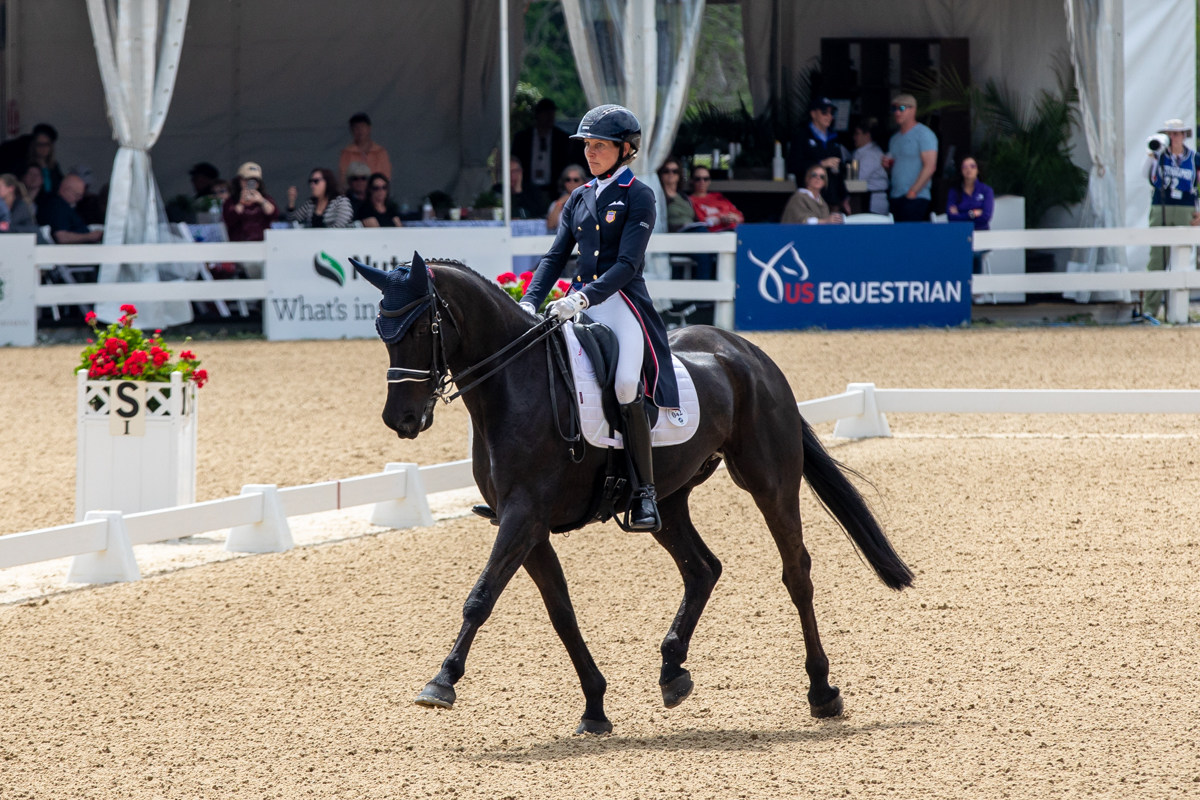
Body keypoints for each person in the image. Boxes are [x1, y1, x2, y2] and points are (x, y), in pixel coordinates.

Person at [521, 104, 680, 532]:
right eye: (588, 145)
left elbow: (628, 264)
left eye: (600, 146)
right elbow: (555, 257)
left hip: (620, 302)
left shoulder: (639, 195)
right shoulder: (579, 196)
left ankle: (644, 493)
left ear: (625, 150)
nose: (590, 153)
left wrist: (583, 299)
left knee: (627, 383)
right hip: (577, 300)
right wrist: (529, 302)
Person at [1142, 119, 1200, 318]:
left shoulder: (1194, 158)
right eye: (1170, 134)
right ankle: (1150, 310)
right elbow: (1146, 175)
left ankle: (1179, 312)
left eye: (1176, 133)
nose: (1173, 137)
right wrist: (1152, 155)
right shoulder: (1159, 155)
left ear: (1184, 135)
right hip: (1161, 205)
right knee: (1157, 259)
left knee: (1182, 258)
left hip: (1185, 206)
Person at [787, 96, 850, 213]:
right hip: (810, 201)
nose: (829, 116)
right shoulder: (801, 136)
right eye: (824, 112)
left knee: (833, 230)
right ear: (813, 114)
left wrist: (844, 197)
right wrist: (821, 164)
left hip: (833, 199)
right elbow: (793, 165)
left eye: (832, 113)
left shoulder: (834, 138)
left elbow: (839, 171)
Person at [883, 94, 938, 222]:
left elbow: (930, 166)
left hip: (916, 197)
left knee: (911, 237)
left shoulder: (924, 134)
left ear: (913, 110)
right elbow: (894, 169)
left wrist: (913, 192)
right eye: (894, 109)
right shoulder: (894, 139)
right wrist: (886, 166)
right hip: (896, 195)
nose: (897, 112)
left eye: (901, 108)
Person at [513, 98, 575, 211]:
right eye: (546, 113)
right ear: (537, 115)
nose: (549, 117)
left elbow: (567, 163)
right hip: (528, 188)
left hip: (553, 190)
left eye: (552, 114)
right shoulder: (522, 138)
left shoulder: (562, 139)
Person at [946, 154, 994, 272]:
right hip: (960, 237)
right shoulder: (954, 191)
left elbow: (985, 217)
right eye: (965, 166)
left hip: (980, 237)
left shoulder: (986, 190)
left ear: (977, 170)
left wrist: (961, 214)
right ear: (961, 170)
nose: (969, 169)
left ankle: (976, 289)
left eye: (972, 166)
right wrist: (972, 214)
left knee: (974, 254)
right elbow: (951, 217)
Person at [37, 174, 102, 243]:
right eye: (77, 195)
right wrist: (90, 236)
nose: (79, 199)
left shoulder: (66, 205)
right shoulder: (57, 207)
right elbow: (61, 237)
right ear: (65, 190)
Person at [223, 162, 278, 242]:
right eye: (247, 180)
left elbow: (274, 215)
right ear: (239, 180)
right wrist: (241, 203)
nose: (251, 183)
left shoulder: (266, 199)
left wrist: (261, 201)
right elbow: (229, 220)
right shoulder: (231, 201)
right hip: (239, 244)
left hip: (262, 244)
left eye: (255, 180)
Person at [287, 168, 353, 228]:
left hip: (336, 241)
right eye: (311, 181)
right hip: (313, 240)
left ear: (327, 182)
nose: (312, 185)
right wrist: (291, 201)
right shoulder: (311, 204)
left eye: (316, 181)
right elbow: (292, 221)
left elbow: (341, 227)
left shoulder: (341, 201)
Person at [339, 112, 391, 185]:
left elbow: (386, 177)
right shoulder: (347, 153)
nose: (360, 130)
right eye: (356, 127)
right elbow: (344, 179)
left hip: (376, 192)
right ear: (351, 130)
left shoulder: (381, 152)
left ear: (369, 128)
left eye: (363, 126)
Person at [851, 118, 889, 215]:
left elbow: (857, 180)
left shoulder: (871, 154)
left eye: (857, 133)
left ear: (867, 135)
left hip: (873, 203)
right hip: (862, 201)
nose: (854, 137)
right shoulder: (858, 152)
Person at [689, 166, 743, 231]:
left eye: (705, 179)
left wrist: (735, 218)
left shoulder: (718, 196)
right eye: (698, 179)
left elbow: (740, 216)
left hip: (732, 233)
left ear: (709, 181)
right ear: (692, 180)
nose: (702, 181)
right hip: (710, 236)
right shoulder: (689, 200)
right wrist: (721, 218)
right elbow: (701, 223)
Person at [658, 157, 697, 232]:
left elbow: (694, 218)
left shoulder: (683, 196)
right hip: (673, 234)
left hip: (692, 231)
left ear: (679, 175)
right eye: (666, 171)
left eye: (675, 171)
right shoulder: (659, 196)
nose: (671, 174)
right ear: (661, 174)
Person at [545, 164, 587, 231]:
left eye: (576, 180)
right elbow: (550, 226)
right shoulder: (557, 203)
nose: (572, 183)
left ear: (583, 182)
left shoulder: (591, 200)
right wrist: (559, 203)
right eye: (568, 179)